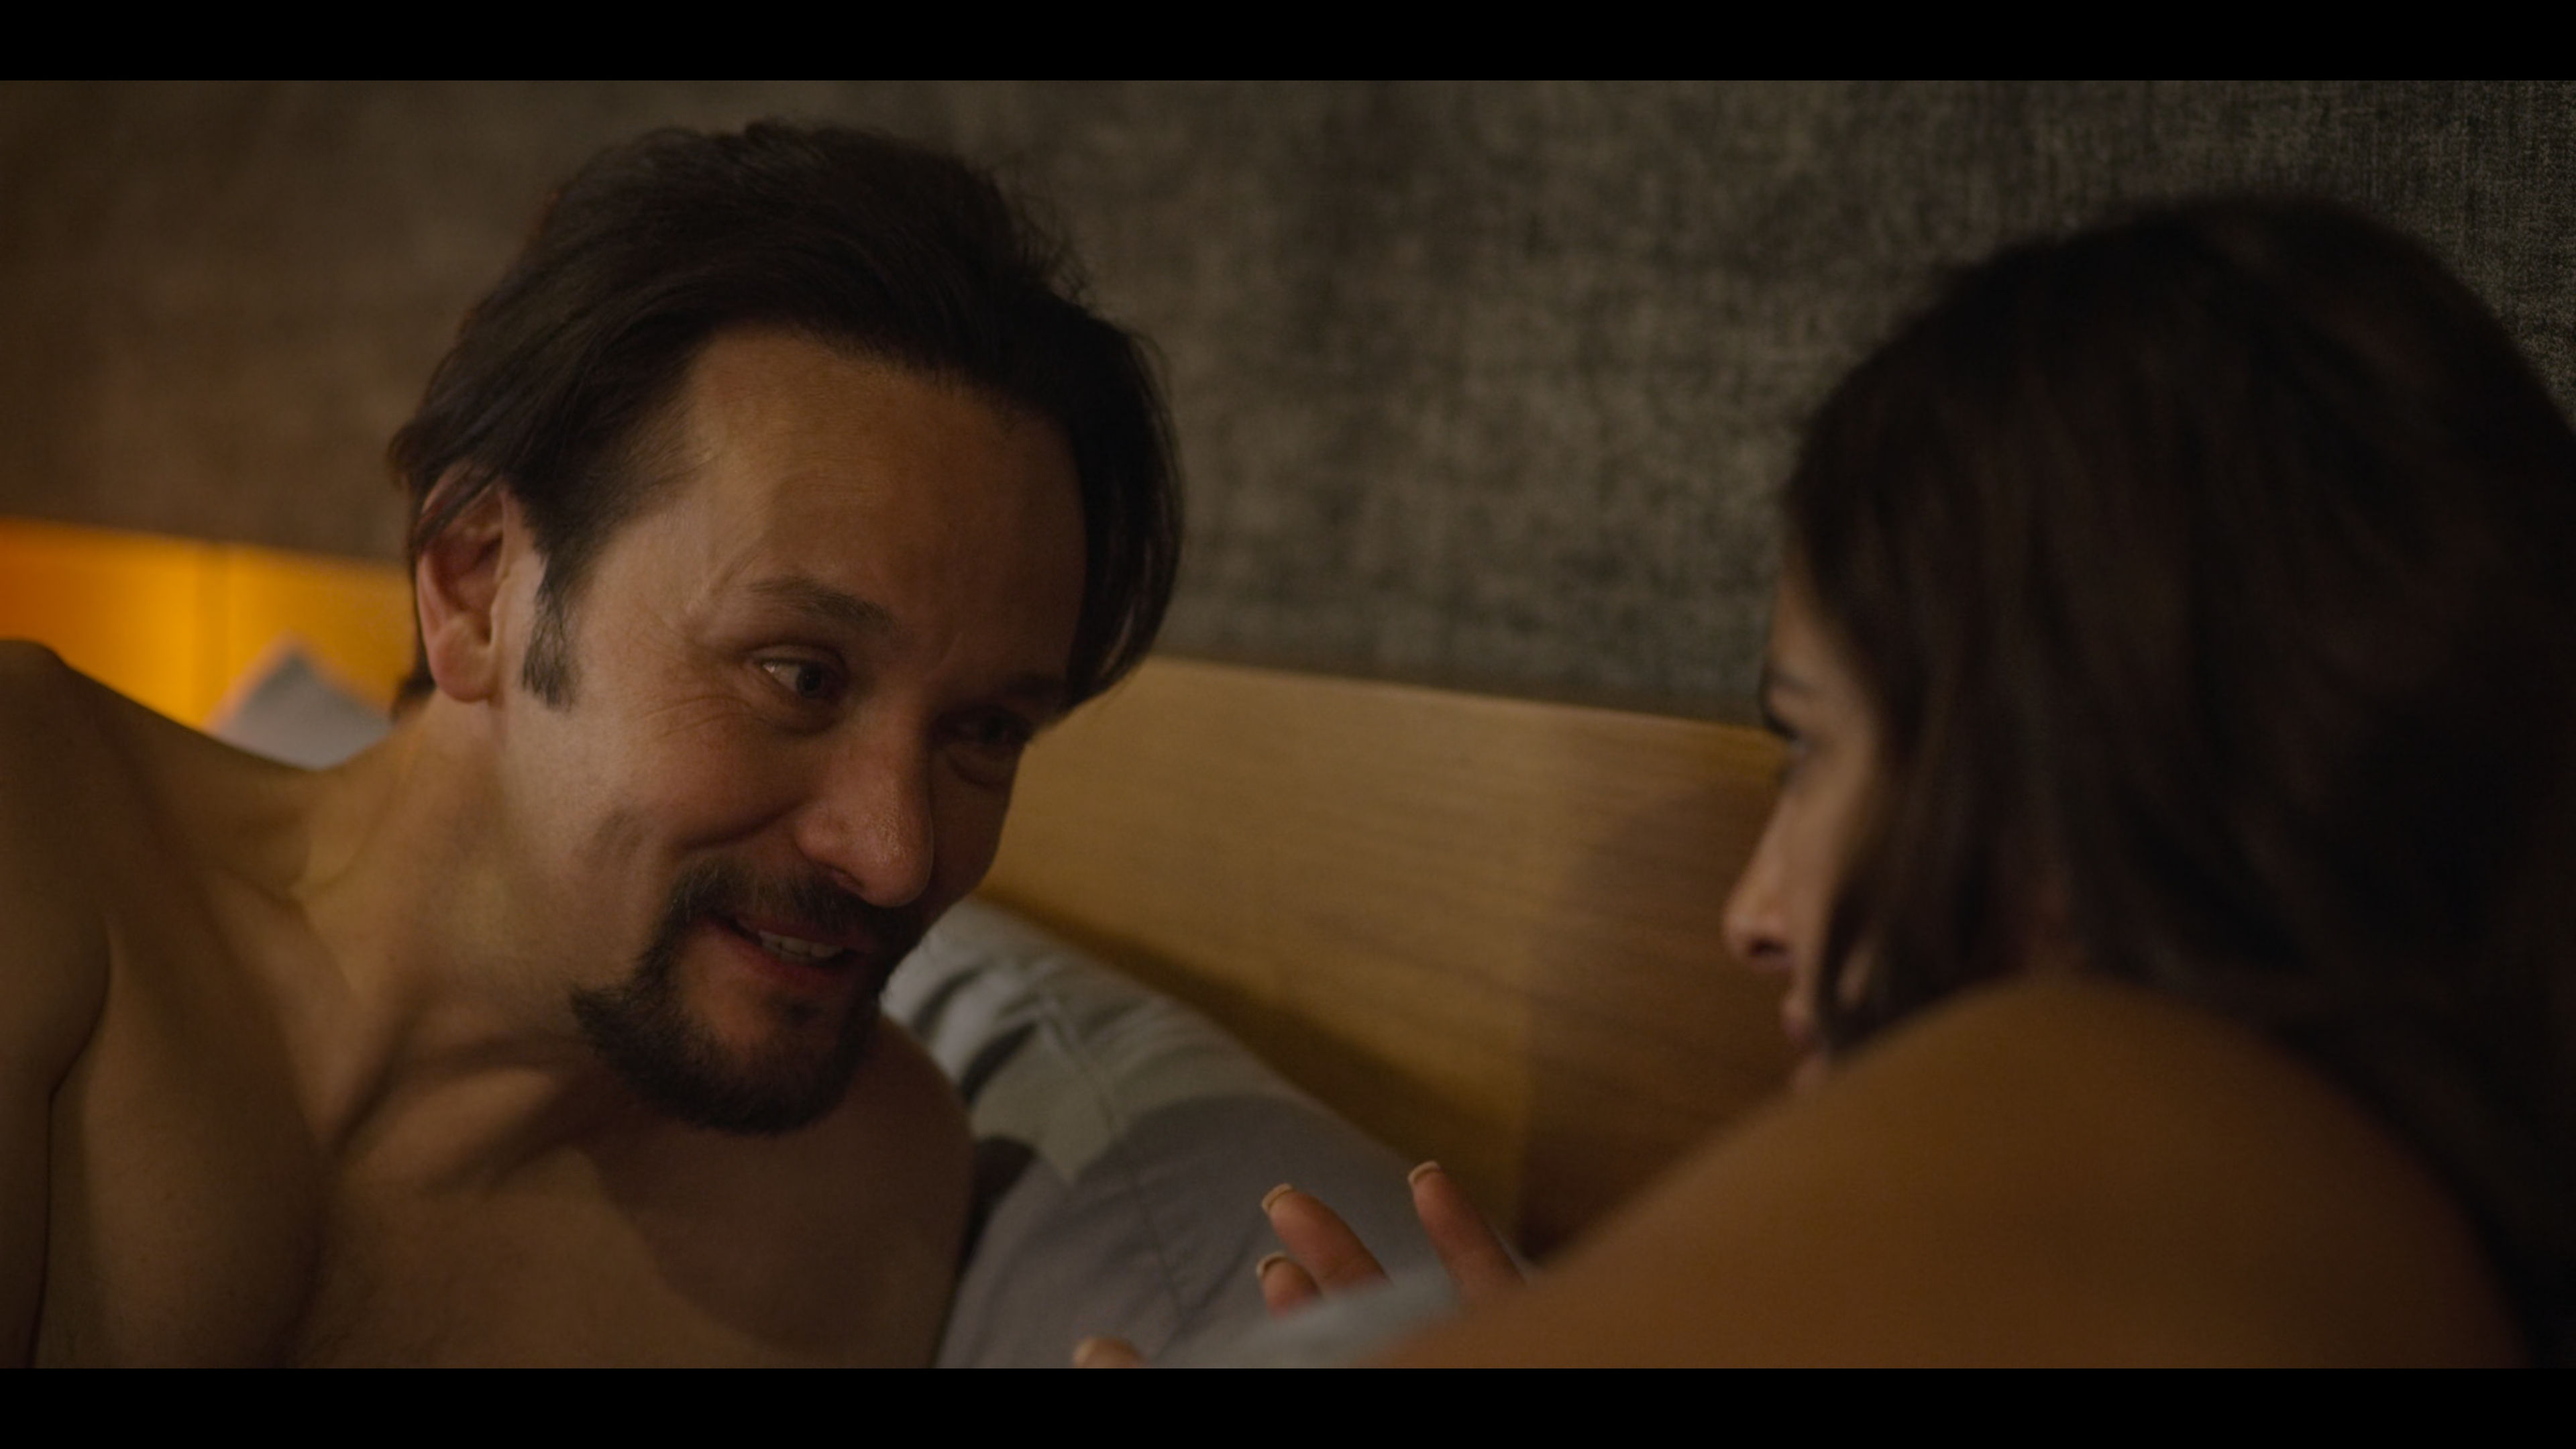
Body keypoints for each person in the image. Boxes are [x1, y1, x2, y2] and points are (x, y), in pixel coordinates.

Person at [1176, 197, 2574, 1366]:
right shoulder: (2357, 1216)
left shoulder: (2129, 1077)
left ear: (2066, 760)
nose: (1749, 916)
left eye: (1810, 748)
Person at [3, 123, 1181, 1365]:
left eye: (986, 731)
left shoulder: (856, 1210)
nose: (897, 855)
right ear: (478, 584)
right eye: (799, 675)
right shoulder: (42, 835)